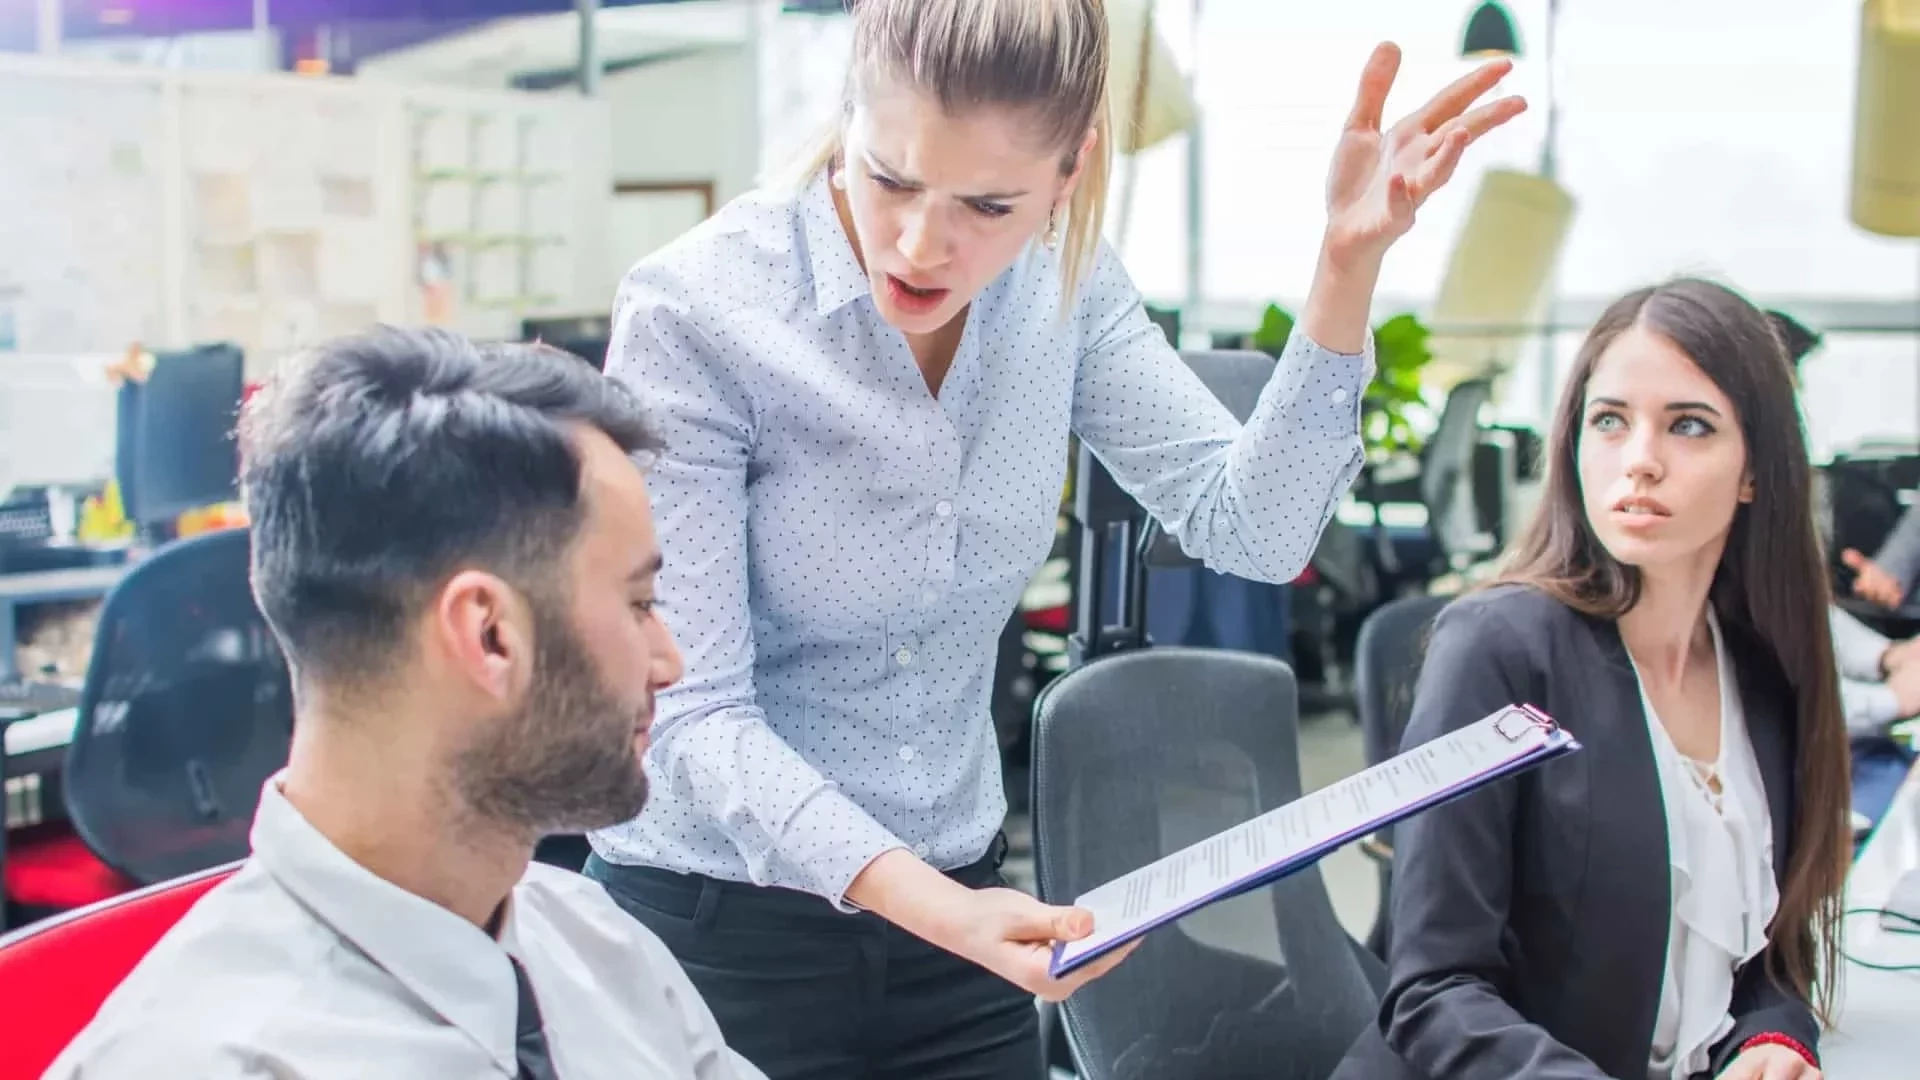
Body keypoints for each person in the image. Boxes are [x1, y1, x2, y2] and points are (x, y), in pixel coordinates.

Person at [592, 0, 1526, 1074]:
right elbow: (692, 713)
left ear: (1071, 173)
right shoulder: (700, 312)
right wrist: (939, 907)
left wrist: (1345, 266)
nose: (920, 243)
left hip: (963, 931)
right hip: (721, 936)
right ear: (847, 110)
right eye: (888, 177)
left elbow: (1255, 531)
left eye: (989, 204)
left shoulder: (1066, 287)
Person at [46, 328, 765, 1080]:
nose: (670, 662)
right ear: (489, 635)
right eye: (640, 603)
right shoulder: (216, 1060)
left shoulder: (599, 950)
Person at [1332, 279, 1851, 1080]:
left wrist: (1772, 1040)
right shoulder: (1495, 647)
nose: (1640, 460)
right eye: (1610, 420)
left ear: (1757, 470)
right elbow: (1432, 990)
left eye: (1688, 425)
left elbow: (1768, 960)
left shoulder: (1761, 672)